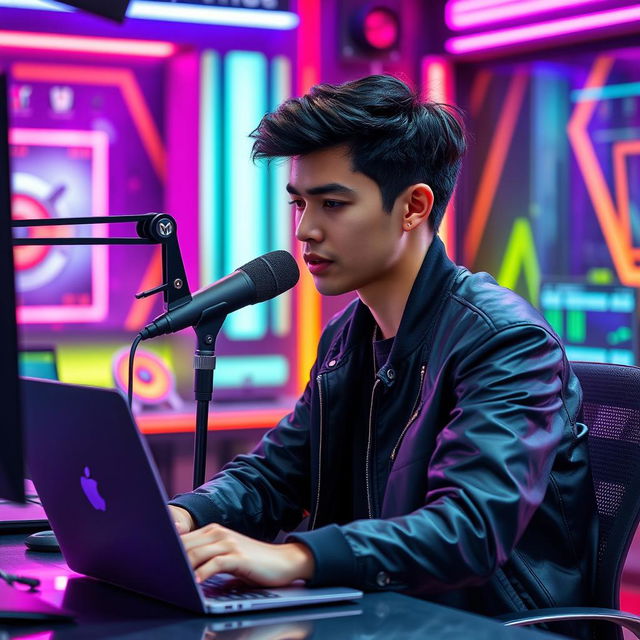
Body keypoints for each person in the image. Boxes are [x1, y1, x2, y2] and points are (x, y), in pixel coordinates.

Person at [168, 75, 598, 636]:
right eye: (300, 203)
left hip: (490, 626)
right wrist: (180, 517)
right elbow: (276, 475)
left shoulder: (505, 340)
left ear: (414, 207)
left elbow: (468, 527)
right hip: (386, 616)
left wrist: (296, 558)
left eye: (333, 204)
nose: (306, 230)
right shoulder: (351, 333)